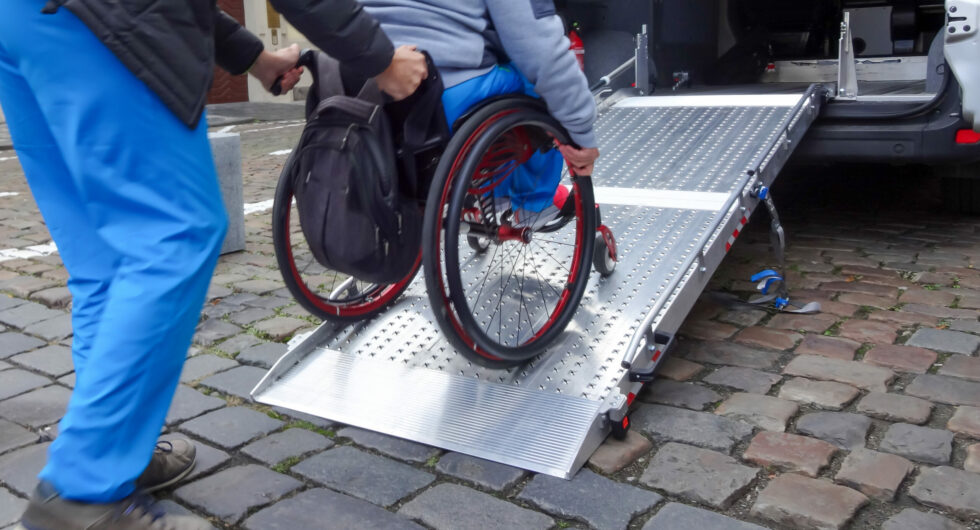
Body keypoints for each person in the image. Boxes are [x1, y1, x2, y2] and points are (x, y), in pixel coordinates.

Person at [0, 1, 425, 529]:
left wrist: (254, 58)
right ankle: (82, 492)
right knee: (173, 236)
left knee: (104, 264)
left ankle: (111, 444)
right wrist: (380, 57)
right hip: (104, 23)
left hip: (22, 23)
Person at [359, 0, 600, 228]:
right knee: (541, 86)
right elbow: (541, 48)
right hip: (442, 94)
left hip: (366, 90)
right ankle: (533, 202)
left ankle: (494, 192)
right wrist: (581, 131)